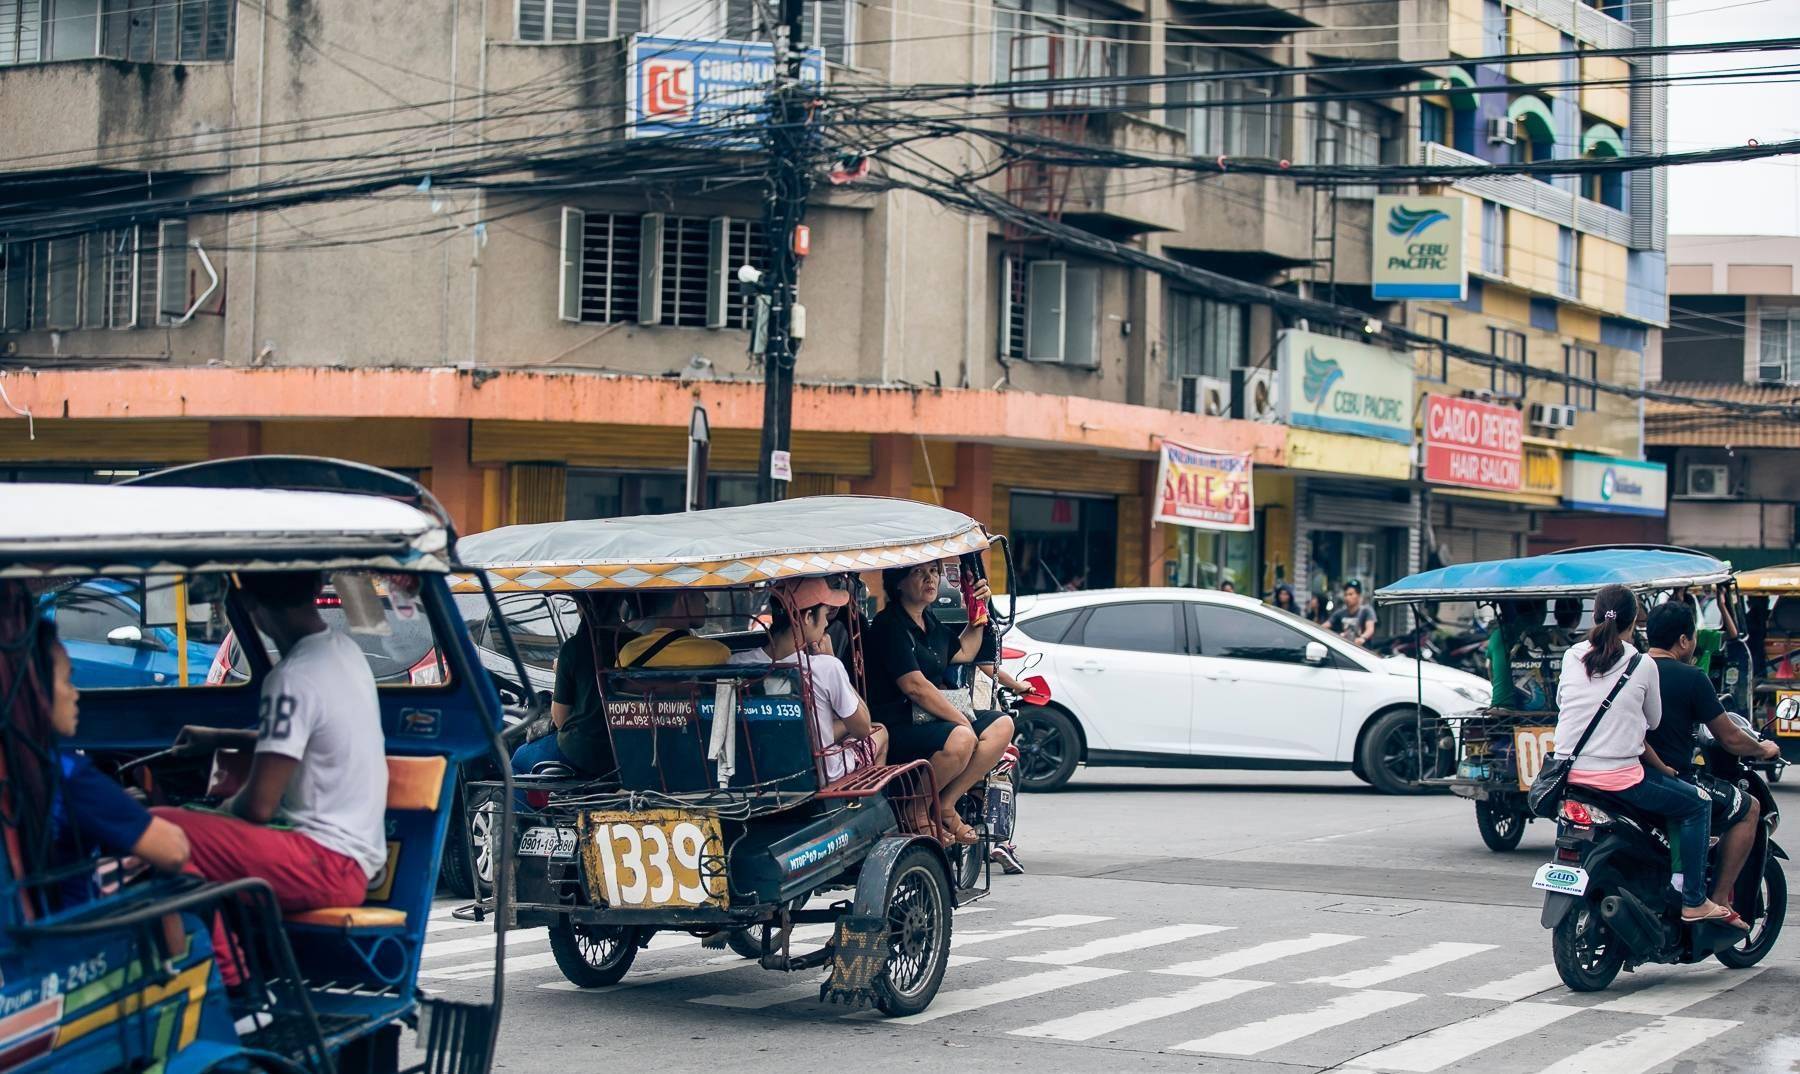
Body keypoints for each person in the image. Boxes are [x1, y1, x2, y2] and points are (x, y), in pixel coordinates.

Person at [153, 570, 392, 983]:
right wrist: (219, 737)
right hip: (353, 858)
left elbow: (258, 806)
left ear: (250, 609)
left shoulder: (292, 677)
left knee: (162, 829)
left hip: (326, 864)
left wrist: (220, 814)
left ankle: (231, 983)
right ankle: (231, 969)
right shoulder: (344, 652)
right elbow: (308, 736)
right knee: (181, 841)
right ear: (316, 590)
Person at [1555, 584, 1741, 928]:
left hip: (1568, 773)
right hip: (1621, 779)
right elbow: (1651, 722)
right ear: (1634, 621)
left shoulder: (1571, 656)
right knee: (1698, 803)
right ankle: (1694, 900)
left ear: (1595, 615)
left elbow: (1564, 706)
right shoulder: (1640, 664)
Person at [0, 601, 191, 908]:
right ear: (35, 689)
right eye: (66, 680)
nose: (75, 694)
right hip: (78, 940)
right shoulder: (65, 773)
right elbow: (173, 850)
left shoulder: (20, 763)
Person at [1643, 601, 1780, 911]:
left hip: (1630, 773)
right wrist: (1764, 748)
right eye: (1692, 638)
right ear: (1683, 640)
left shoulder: (1630, 668)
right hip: (1670, 776)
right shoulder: (1691, 677)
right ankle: (1715, 901)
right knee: (1748, 807)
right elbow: (1730, 737)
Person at [866, 561, 1012, 846]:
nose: (930, 579)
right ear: (898, 583)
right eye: (919, 573)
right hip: (898, 721)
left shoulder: (930, 623)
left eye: (933, 572)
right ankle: (916, 810)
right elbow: (915, 687)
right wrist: (961, 720)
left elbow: (966, 650)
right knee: (962, 736)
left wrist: (978, 611)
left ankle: (946, 803)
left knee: (1002, 725)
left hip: (930, 719)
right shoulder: (890, 625)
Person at [731, 578, 886, 781]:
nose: (827, 622)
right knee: (880, 732)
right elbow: (863, 728)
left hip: (758, 770)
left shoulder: (735, 663)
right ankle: (868, 805)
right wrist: (832, 660)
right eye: (825, 614)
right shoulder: (826, 666)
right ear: (807, 617)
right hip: (819, 773)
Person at [511, 593, 639, 782]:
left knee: (519, 760)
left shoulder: (574, 648)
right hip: (633, 750)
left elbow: (560, 719)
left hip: (583, 751)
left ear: (580, 607)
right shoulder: (638, 643)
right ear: (621, 605)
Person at [616, 590, 731, 668]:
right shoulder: (716, 653)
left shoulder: (628, 652)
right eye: (701, 592)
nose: (706, 600)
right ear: (685, 601)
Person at [1485, 599, 1555, 711]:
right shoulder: (1545, 635)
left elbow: (1489, 668)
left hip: (1501, 706)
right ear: (1542, 611)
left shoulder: (1498, 634)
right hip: (1543, 710)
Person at [1329, 580, 1377, 648]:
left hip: (1362, 650)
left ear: (1358, 595)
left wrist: (1362, 638)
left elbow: (1370, 629)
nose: (1347, 598)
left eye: (1351, 594)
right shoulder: (1340, 613)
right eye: (1345, 595)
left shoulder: (1366, 611)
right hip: (1345, 649)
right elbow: (1325, 625)